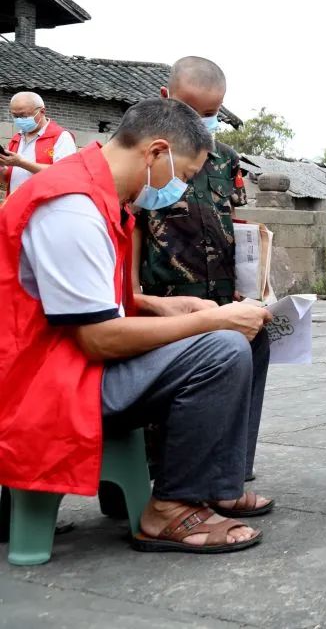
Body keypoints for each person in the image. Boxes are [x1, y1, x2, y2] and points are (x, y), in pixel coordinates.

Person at [0, 97, 274, 553]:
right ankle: (168, 508)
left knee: (251, 335)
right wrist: (210, 318)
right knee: (222, 346)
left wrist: (153, 305)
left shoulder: (94, 191)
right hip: (47, 385)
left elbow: (72, 299)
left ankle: (217, 485)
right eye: (184, 176)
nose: (182, 190)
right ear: (156, 153)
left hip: (66, 364)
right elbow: (99, 338)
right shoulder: (72, 207)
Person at [131, 56, 269, 488]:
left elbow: (232, 219)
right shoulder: (149, 156)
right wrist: (133, 288)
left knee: (245, 362)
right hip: (166, 293)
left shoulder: (226, 159)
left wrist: (254, 282)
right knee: (171, 397)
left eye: (210, 115)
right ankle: (157, 482)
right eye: (191, 111)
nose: (200, 123)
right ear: (166, 99)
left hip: (223, 292)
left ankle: (232, 473)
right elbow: (132, 224)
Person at [1, 92, 77, 197]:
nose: (19, 120)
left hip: (44, 207)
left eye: (23, 116)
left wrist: (21, 163)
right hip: (16, 204)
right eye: (15, 116)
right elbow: (8, 179)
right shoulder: (16, 138)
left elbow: (64, 174)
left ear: (42, 111)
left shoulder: (61, 137)